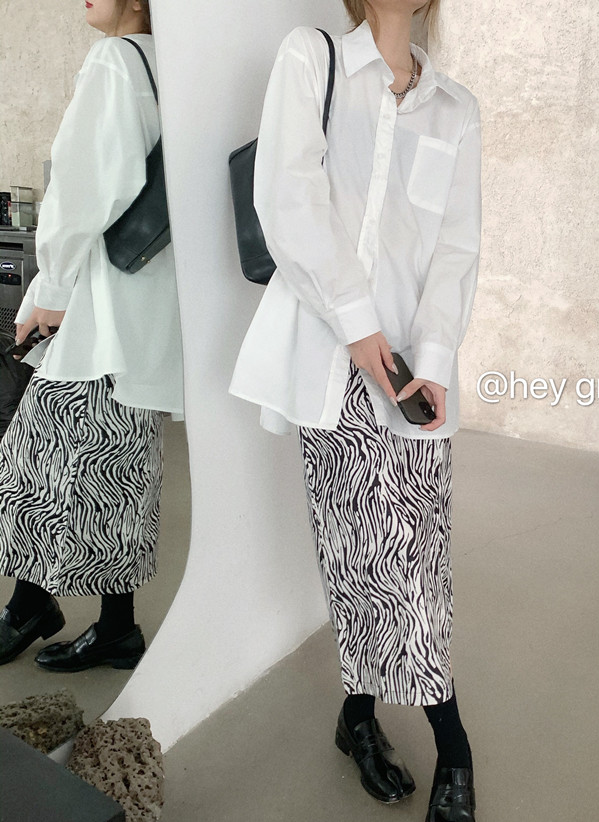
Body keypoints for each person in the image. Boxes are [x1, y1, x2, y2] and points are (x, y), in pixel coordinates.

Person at [230, 1, 481, 819]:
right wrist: (357, 325)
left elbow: (457, 248)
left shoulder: (456, 107)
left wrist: (433, 358)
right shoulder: (313, 60)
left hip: (412, 377)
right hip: (335, 363)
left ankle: (366, 717)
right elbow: (287, 197)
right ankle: (442, 742)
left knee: (412, 553)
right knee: (364, 552)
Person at [0, 0, 183, 673]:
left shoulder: (115, 59)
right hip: (151, 309)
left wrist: (47, 289)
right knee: (119, 472)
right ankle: (114, 626)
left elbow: (81, 190)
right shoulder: (173, 68)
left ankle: (30, 609)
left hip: (100, 311)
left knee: (37, 461)